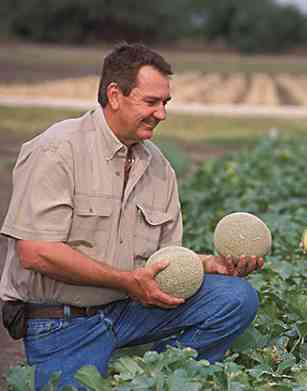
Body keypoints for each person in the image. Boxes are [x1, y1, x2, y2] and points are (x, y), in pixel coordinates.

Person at [0, 43, 262, 390]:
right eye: (151, 102)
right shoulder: (57, 150)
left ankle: (155, 376)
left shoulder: (159, 168)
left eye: (165, 103)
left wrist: (209, 264)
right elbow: (35, 252)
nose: (162, 114)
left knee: (235, 298)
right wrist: (126, 281)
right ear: (115, 95)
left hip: (130, 310)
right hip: (63, 321)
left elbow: (160, 263)